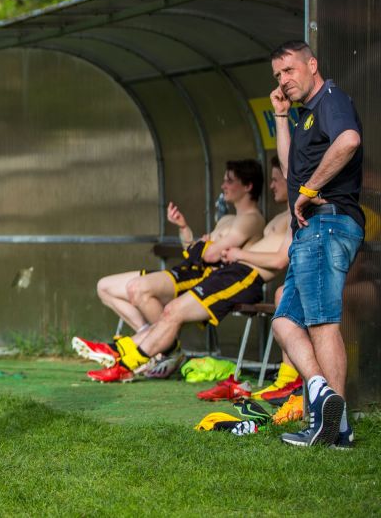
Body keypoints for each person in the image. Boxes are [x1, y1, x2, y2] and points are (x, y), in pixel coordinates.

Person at [87, 159, 292, 384]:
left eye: (276, 179)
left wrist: (235, 253)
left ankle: (128, 359)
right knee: (170, 310)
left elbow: (274, 258)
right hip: (228, 273)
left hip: (242, 277)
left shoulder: (269, 218)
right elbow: (203, 252)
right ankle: (130, 355)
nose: (272, 186)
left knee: (164, 305)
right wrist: (187, 231)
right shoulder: (268, 218)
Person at [269, 40, 364, 448]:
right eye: (277, 75)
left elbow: (349, 141)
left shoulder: (331, 99)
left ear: (312, 65)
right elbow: (291, 170)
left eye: (289, 71)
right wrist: (280, 116)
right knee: (284, 321)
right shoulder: (305, 116)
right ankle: (323, 396)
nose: (283, 80)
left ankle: (337, 431)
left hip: (327, 225)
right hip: (308, 233)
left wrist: (310, 188)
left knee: (323, 323)